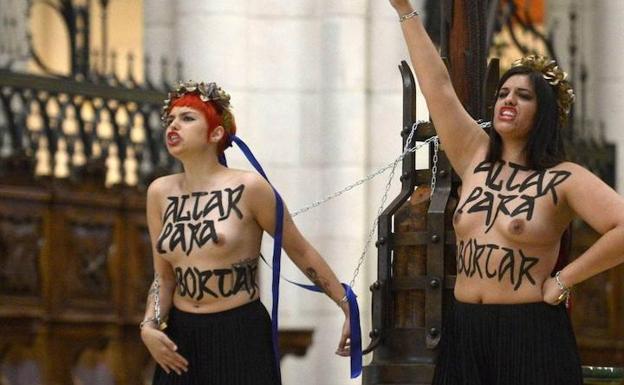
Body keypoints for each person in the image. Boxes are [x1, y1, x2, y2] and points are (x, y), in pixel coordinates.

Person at [389, 1, 624, 384]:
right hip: (465, 330)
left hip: (530, 332)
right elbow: (438, 87)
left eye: (523, 96)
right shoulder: (474, 154)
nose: (508, 100)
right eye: (503, 93)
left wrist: (565, 280)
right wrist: (405, 10)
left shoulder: (564, 178)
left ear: (544, 112)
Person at [138, 81, 351, 385]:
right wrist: (149, 325)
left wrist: (347, 306)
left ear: (215, 133)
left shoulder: (250, 188)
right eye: (170, 119)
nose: (174, 125)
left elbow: (299, 249)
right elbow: (164, 277)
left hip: (239, 331)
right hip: (182, 338)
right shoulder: (159, 193)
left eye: (187, 118)